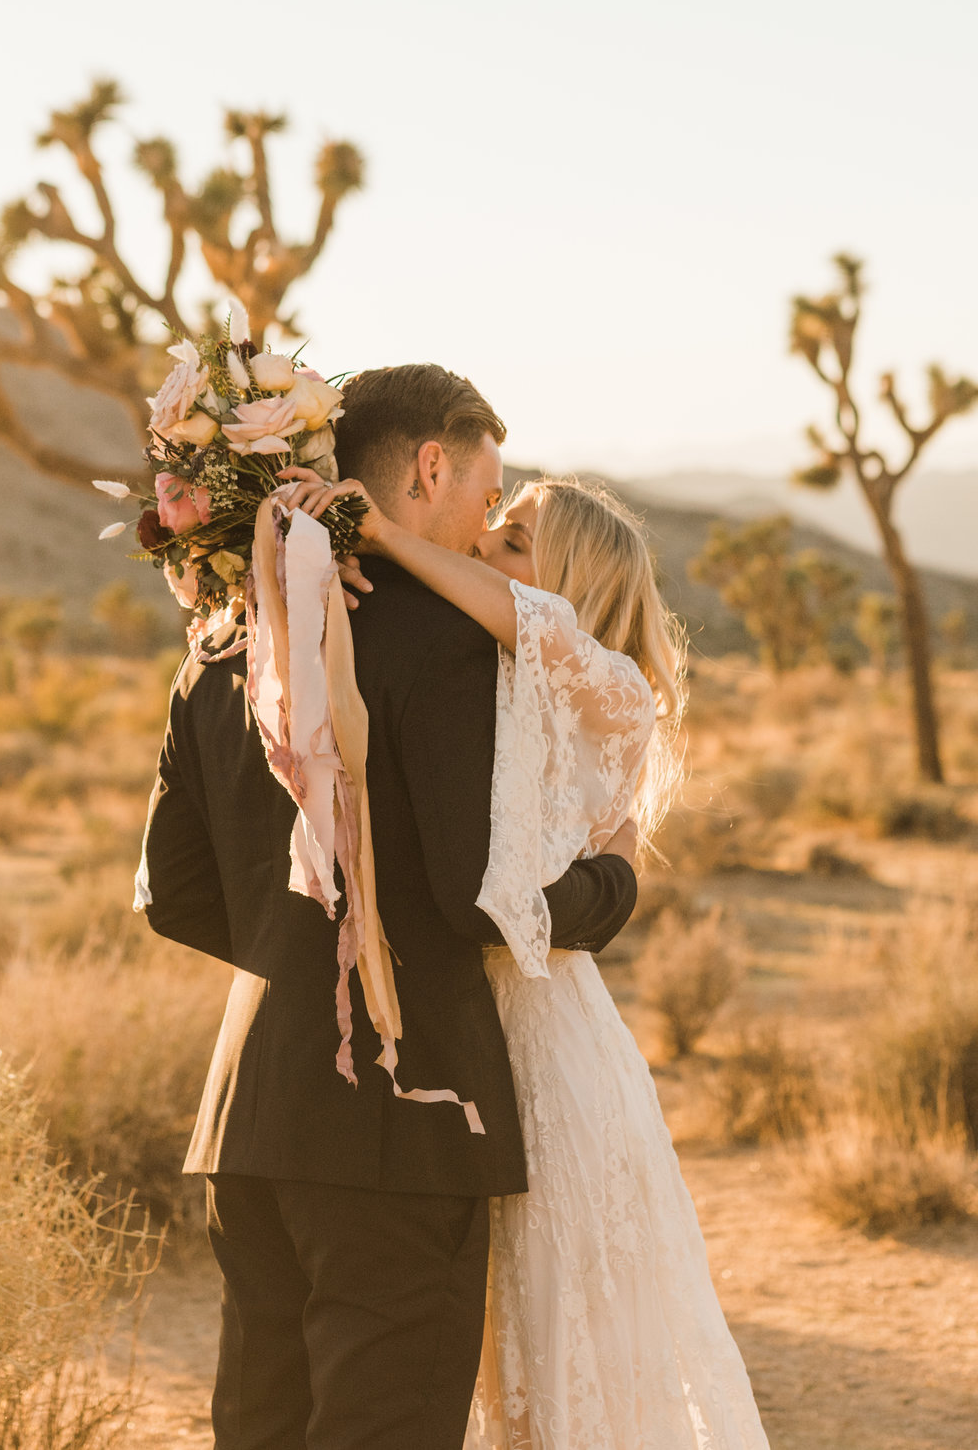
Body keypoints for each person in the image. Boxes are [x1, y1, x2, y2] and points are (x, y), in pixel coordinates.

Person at [136, 364, 641, 1450]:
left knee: (261, 1428)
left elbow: (171, 894)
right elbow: (475, 901)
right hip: (403, 1125)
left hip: (251, 1116)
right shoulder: (456, 647)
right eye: (488, 487)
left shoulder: (225, 635)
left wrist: (304, 949)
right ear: (428, 466)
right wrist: (614, 885)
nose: (487, 518)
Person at [275, 466, 772, 1449]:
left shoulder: (610, 683)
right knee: (484, 1327)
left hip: (547, 1035)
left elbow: (528, 620)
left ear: (571, 579)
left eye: (514, 534)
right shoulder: (498, 677)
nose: (488, 539)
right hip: (470, 1017)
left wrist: (379, 531)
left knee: (559, 1314)